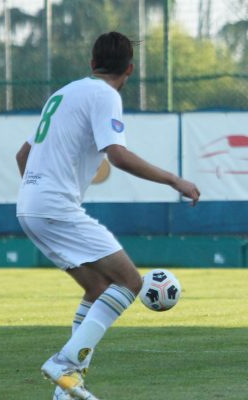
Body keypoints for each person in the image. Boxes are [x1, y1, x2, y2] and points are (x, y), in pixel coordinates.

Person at [15, 32, 200, 399]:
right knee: (130, 282)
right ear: (130, 69)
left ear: (91, 63)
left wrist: (39, 193)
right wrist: (173, 179)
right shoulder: (105, 95)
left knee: (98, 288)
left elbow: (23, 155)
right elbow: (117, 154)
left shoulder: (63, 93)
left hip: (30, 205)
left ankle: (66, 389)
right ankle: (65, 362)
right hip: (54, 206)